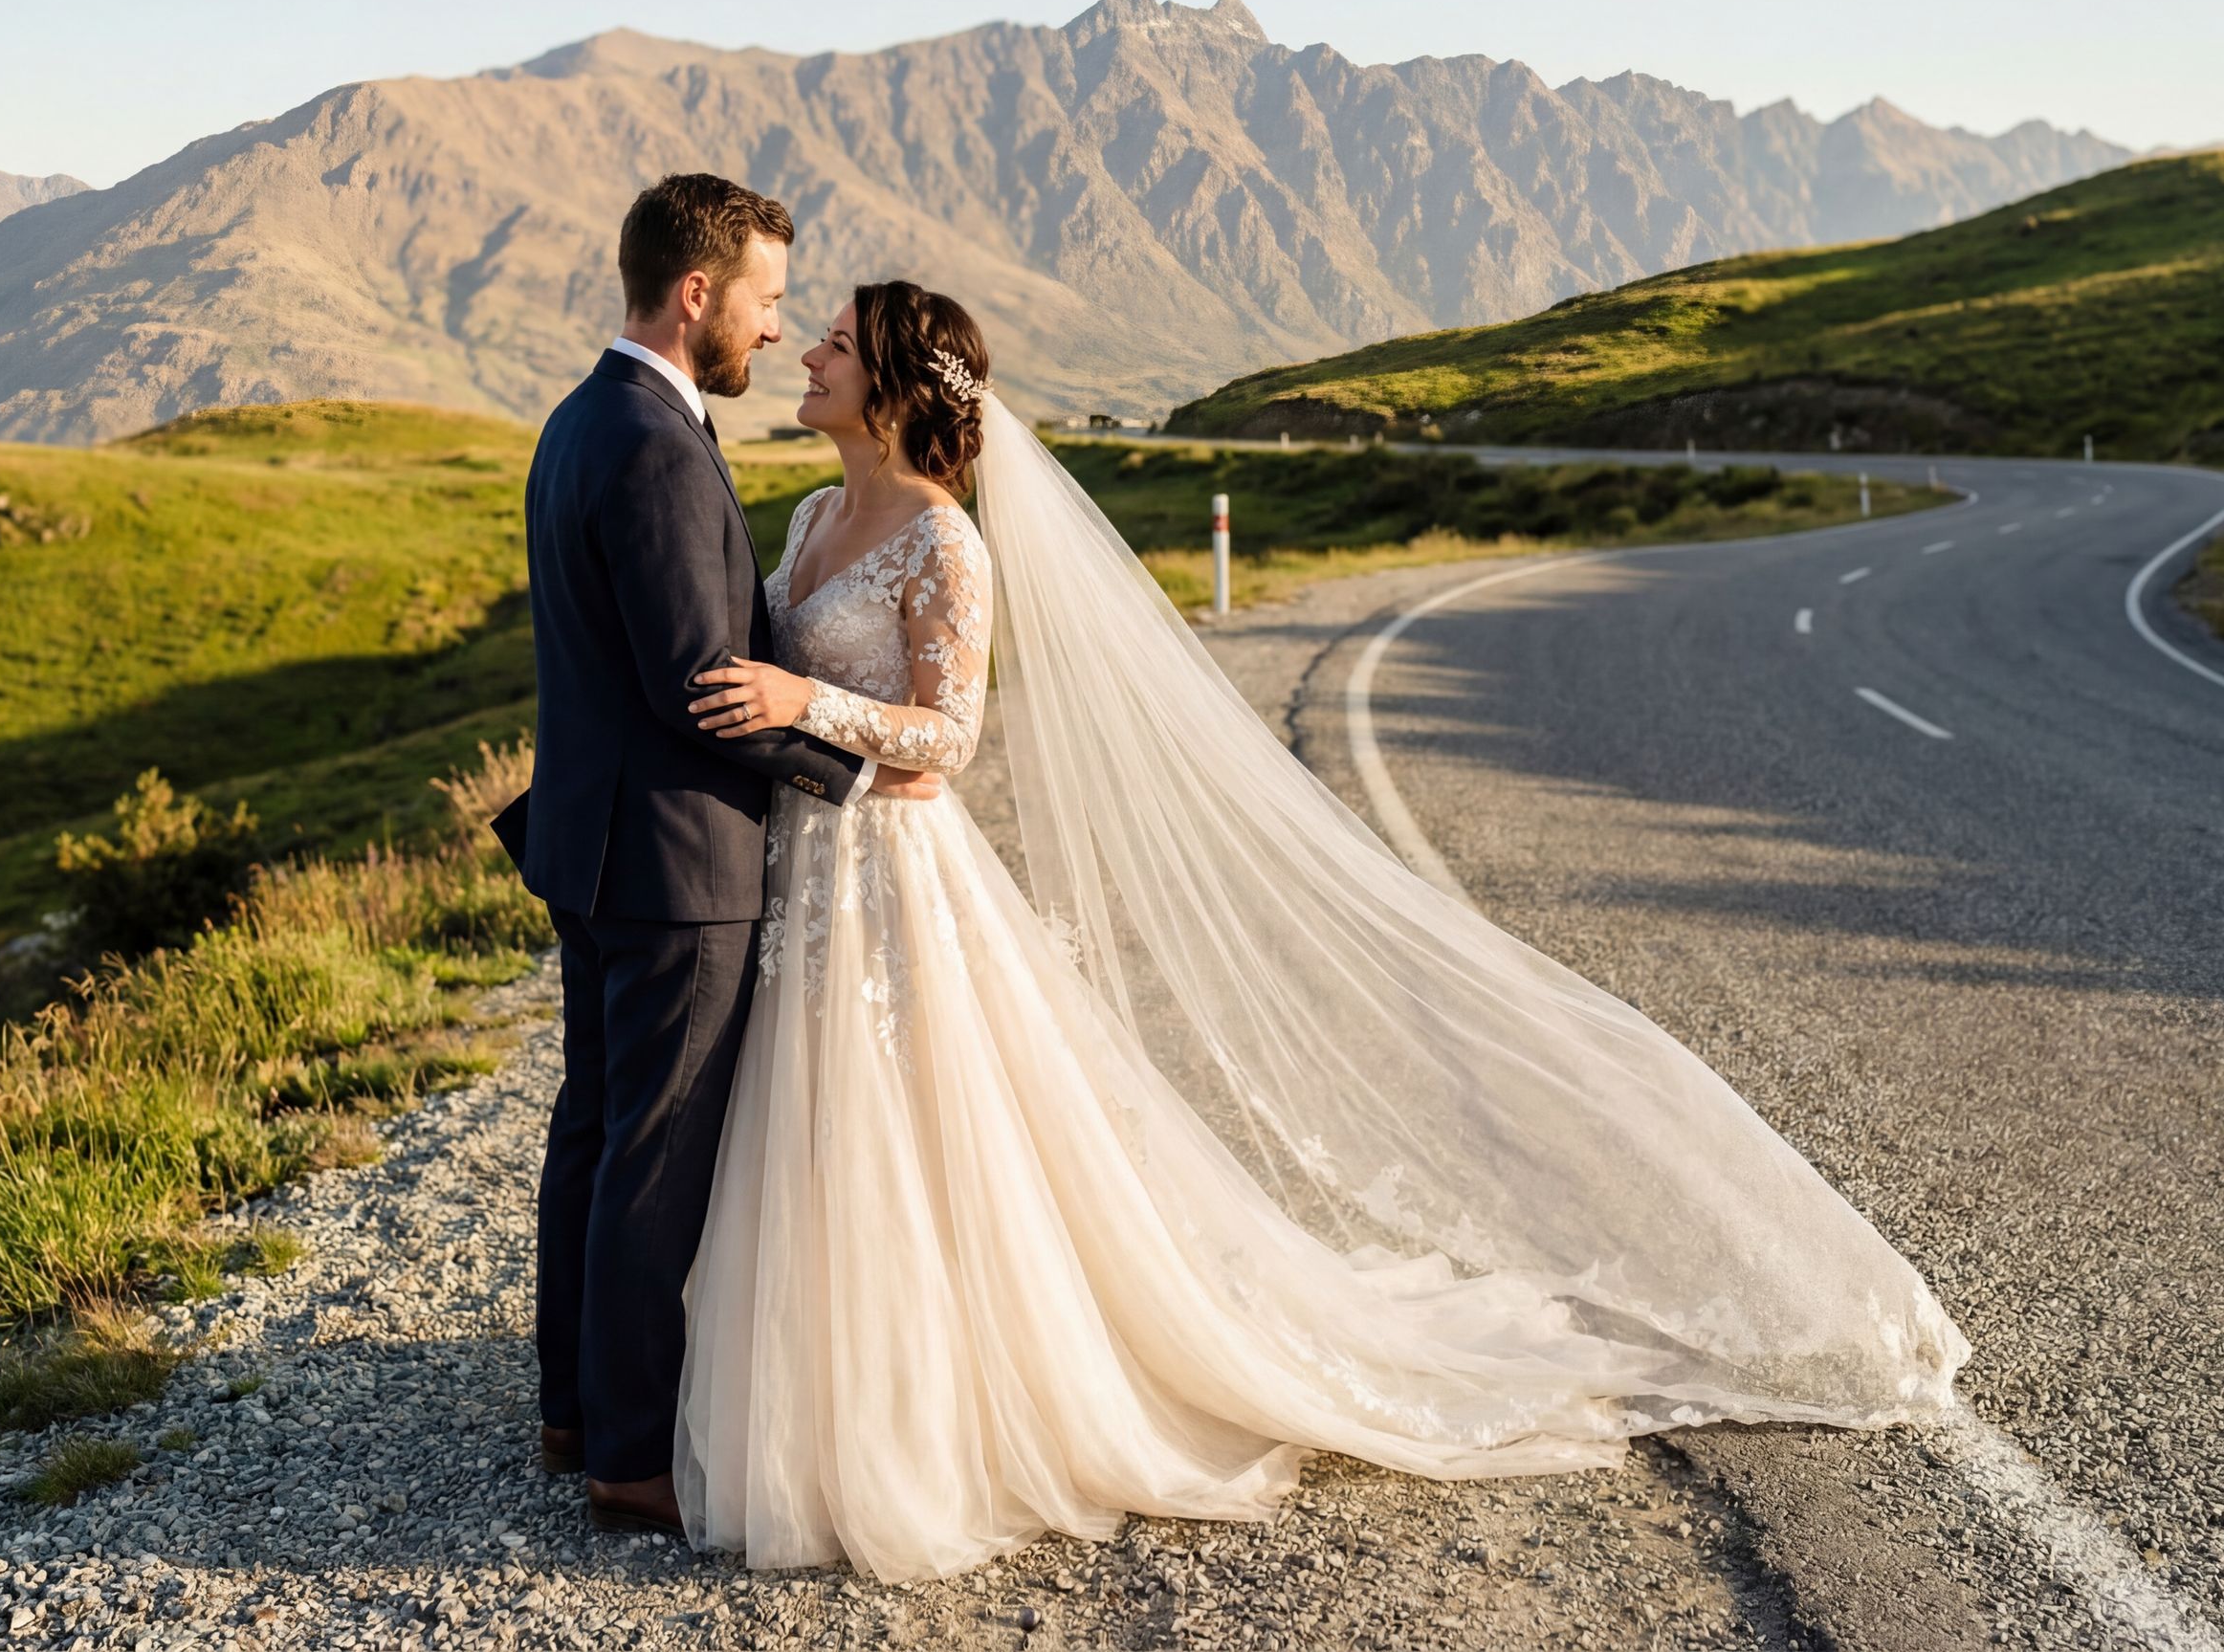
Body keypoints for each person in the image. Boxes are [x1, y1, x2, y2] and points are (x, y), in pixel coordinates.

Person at [673, 280, 1970, 1582]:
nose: (811, 352)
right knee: (825, 1132)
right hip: (808, 861)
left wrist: (807, 699)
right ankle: (849, 1370)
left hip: (895, 870)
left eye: (837, 341)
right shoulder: (811, 514)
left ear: (894, 385)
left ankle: (929, 1411)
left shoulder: (949, 544)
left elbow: (950, 742)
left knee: (908, 1128)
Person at [492, 176, 937, 1538]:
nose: (774, 328)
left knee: (592, 1132)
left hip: (593, 844)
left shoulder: (581, 419)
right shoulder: (658, 444)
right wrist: (860, 772)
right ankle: (629, 1456)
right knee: (652, 1153)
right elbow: (708, 686)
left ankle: (573, 1402)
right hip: (679, 865)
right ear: (699, 295)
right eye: (764, 300)